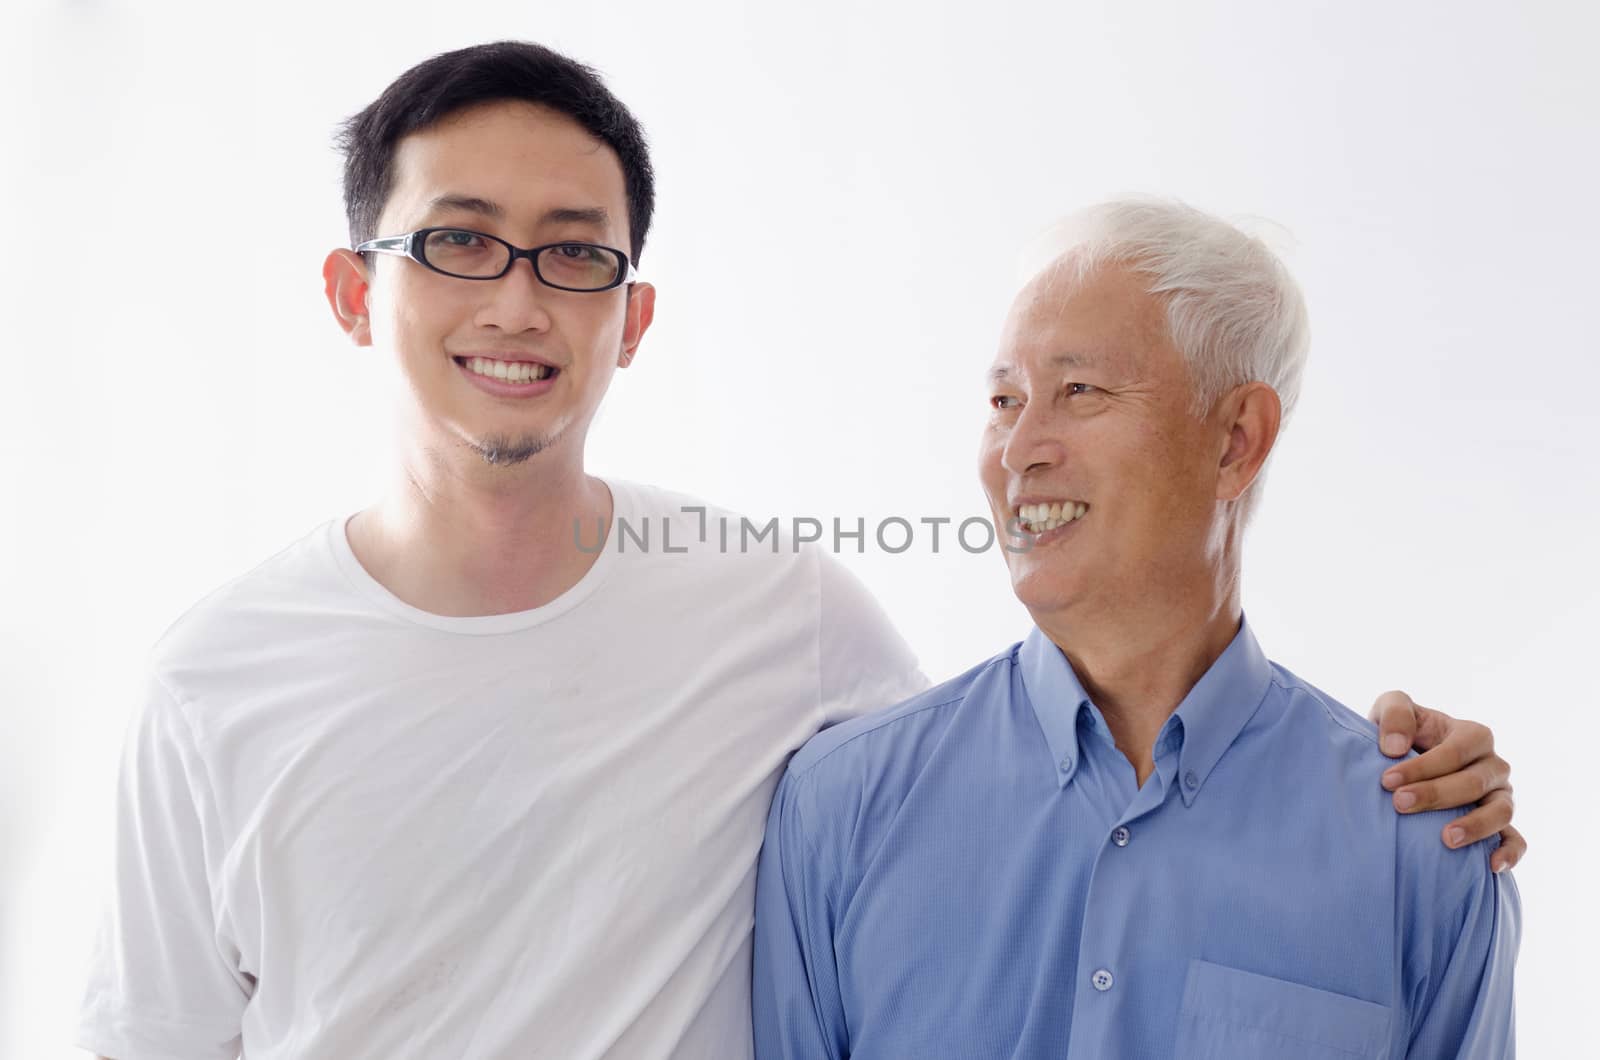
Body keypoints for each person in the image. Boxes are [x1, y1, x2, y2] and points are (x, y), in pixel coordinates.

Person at [77, 43, 1520, 1060]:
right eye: (459, 242)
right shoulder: (213, 683)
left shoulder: (788, 623)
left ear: (631, 317)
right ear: (352, 292)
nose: (517, 299)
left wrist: (1409, 783)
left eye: (575, 253)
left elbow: (1074, 753)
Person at [751, 200, 1521, 1059]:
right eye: (1005, 400)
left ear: (1236, 440)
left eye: (1079, 391)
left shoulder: (1423, 846)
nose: (1018, 451)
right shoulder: (838, 807)